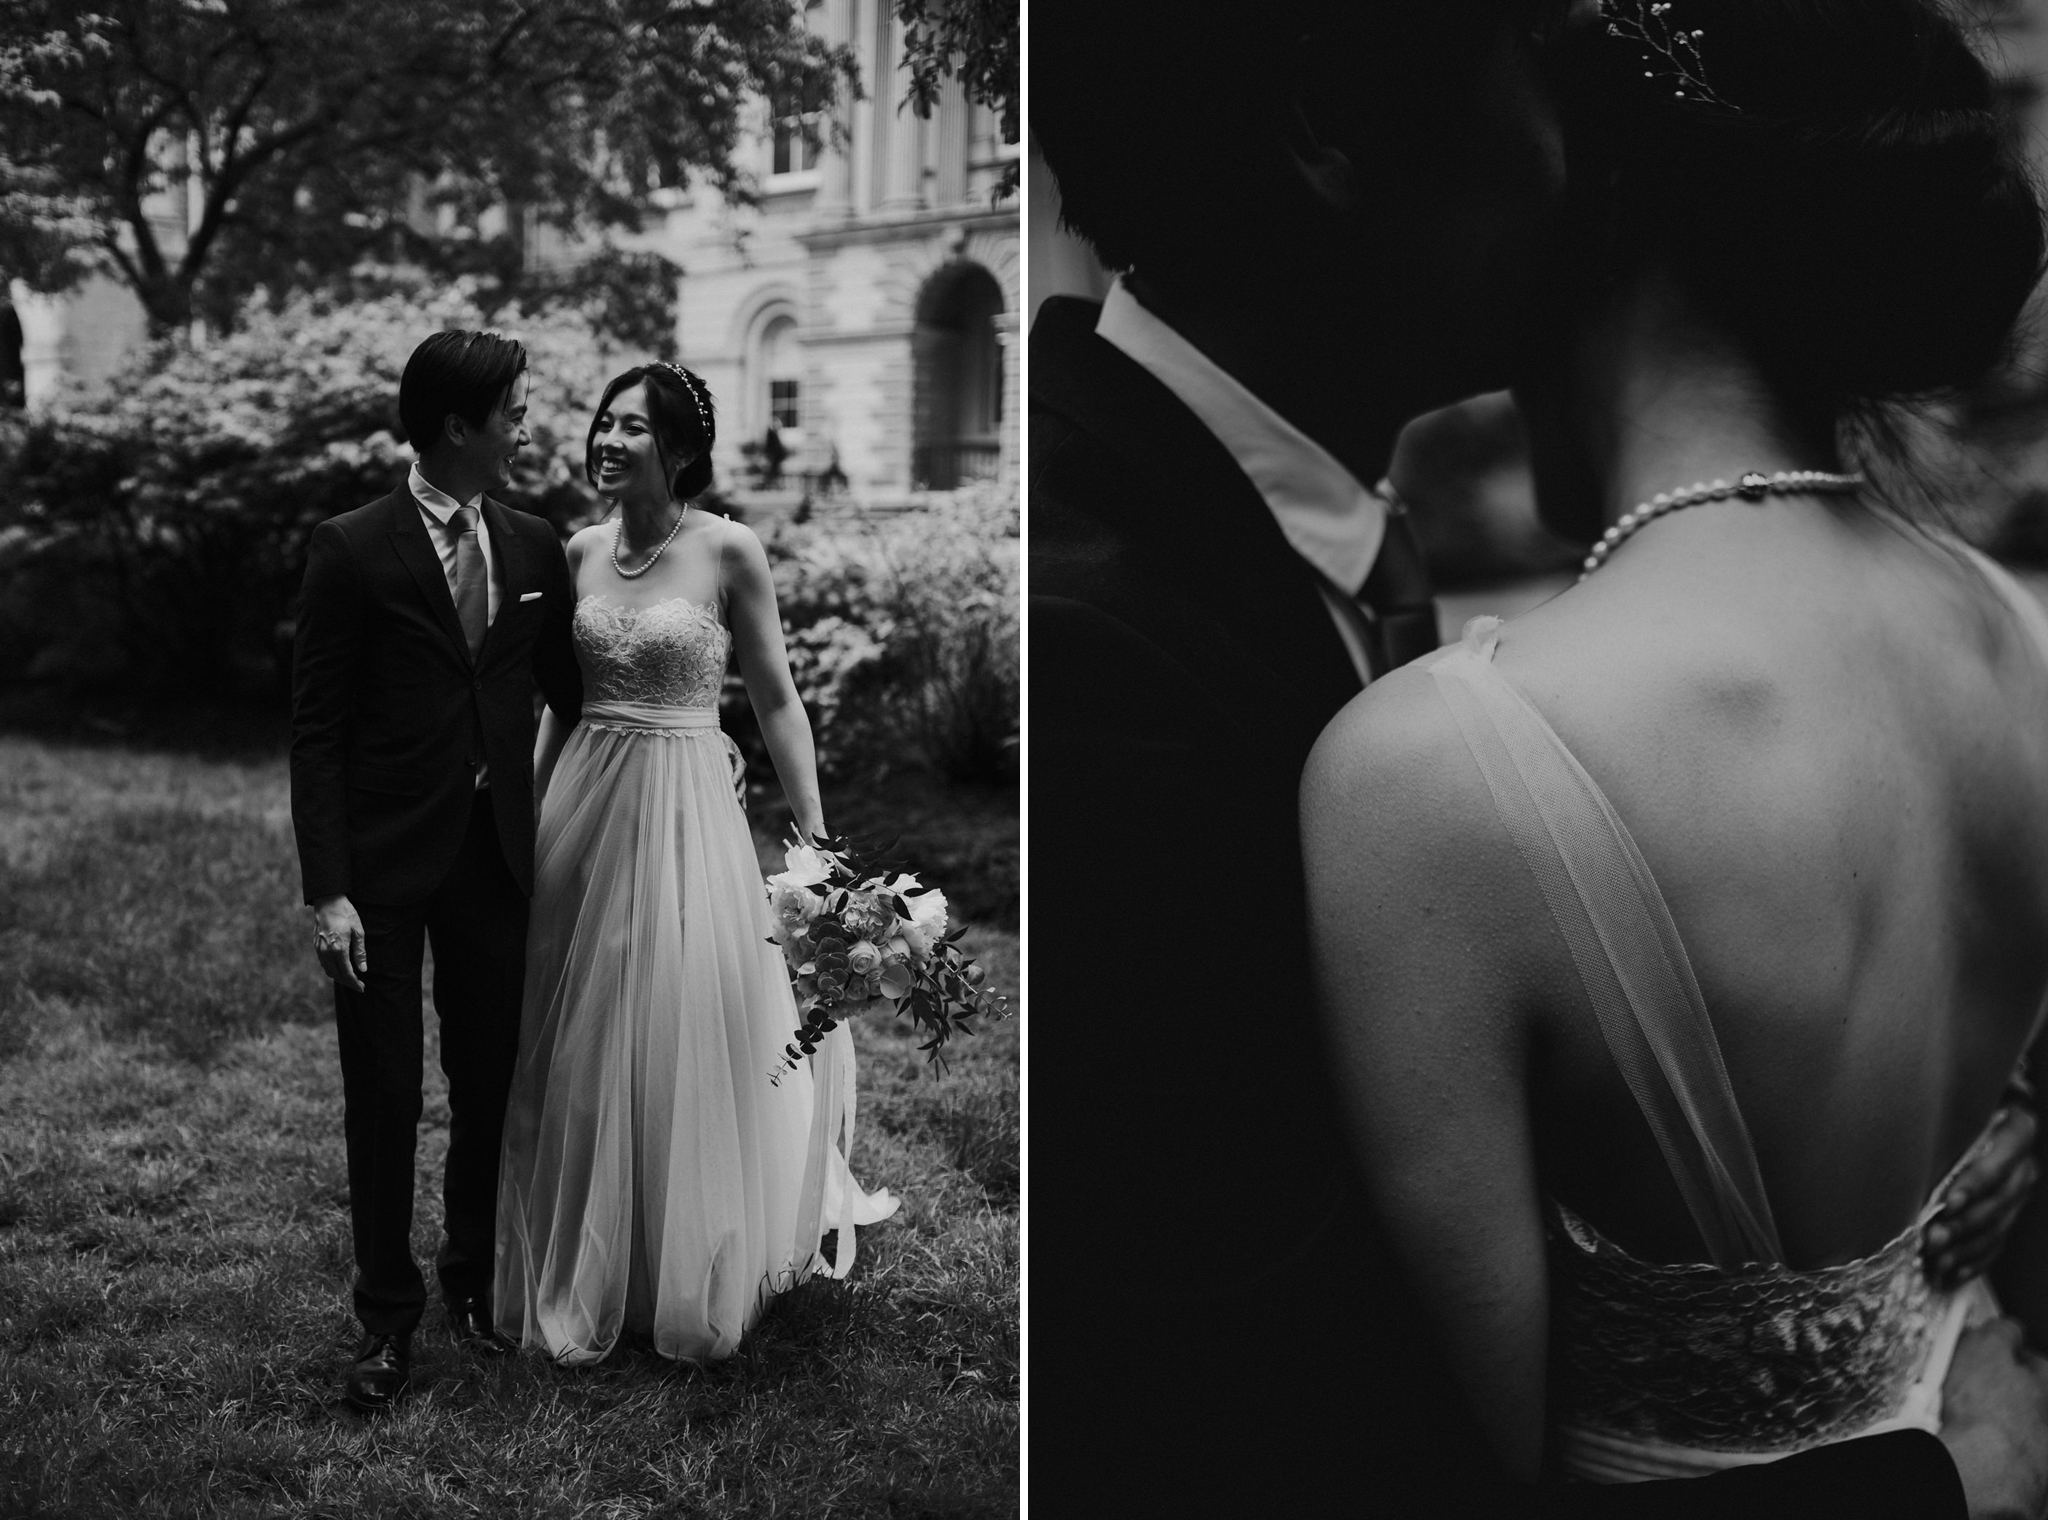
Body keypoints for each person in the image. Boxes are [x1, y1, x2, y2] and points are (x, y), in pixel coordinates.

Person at [1030, 0, 2043, 1514]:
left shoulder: (1438, 753)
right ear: (1337, 121)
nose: (1560, 136)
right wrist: (1936, 1470)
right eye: (1536, 53)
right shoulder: (2009, 636)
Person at [493, 362, 896, 1364]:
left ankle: (682, 1247)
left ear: (675, 446)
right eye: (604, 421)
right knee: (574, 1026)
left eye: (632, 425)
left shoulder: (727, 548)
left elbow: (775, 699)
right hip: (584, 802)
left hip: (683, 811)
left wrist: (812, 832)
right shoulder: (578, 549)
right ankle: (585, 1241)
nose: (608, 438)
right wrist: (529, 818)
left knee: (676, 1013)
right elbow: (560, 703)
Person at [290, 330, 582, 1411]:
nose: (523, 426)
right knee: (385, 1088)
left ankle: (469, 1281)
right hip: (379, 868)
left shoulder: (537, 545)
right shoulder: (350, 546)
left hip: (495, 857)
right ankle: (385, 1317)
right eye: (511, 409)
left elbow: (573, 699)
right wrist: (329, 888)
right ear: (457, 424)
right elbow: (314, 729)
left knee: (486, 1077)